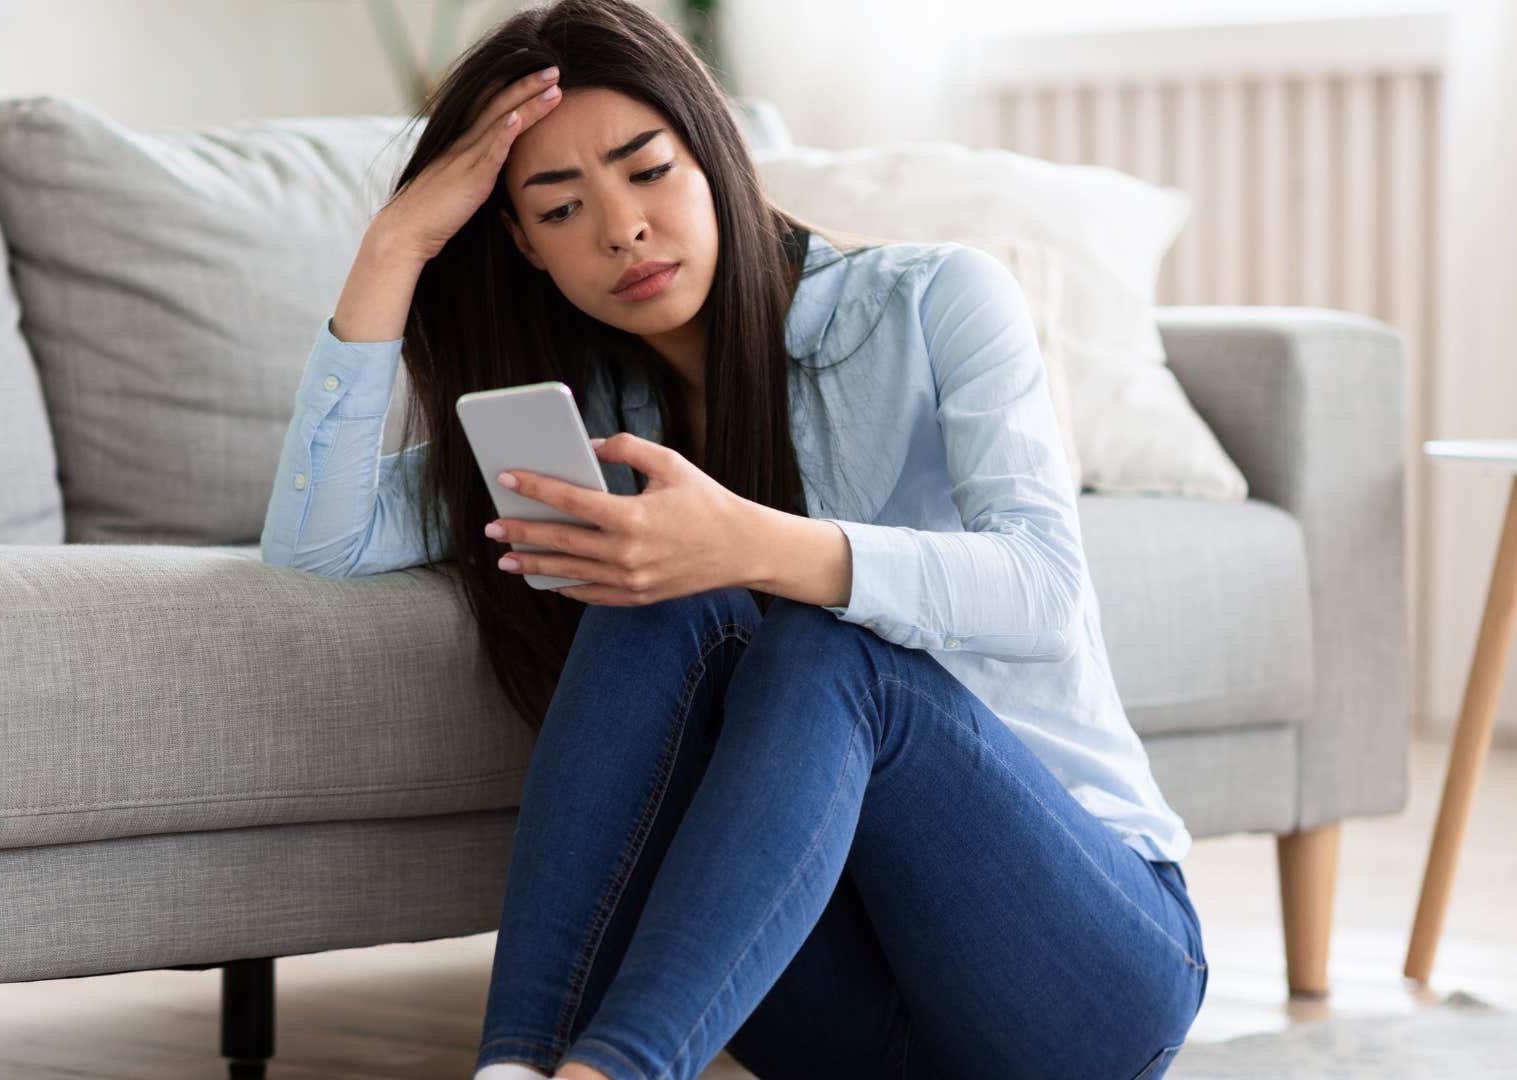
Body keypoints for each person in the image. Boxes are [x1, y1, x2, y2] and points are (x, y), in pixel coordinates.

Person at [259, 1, 1208, 1077]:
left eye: (647, 170)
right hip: (851, 1013)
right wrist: (396, 246)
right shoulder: (596, 426)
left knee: (829, 652)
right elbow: (317, 543)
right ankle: (518, 1066)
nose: (621, 228)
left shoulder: (938, 300)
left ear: (713, 155)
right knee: (652, 588)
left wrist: (750, 544)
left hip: (1082, 979)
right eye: (562, 208)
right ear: (523, 244)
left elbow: (1041, 589)